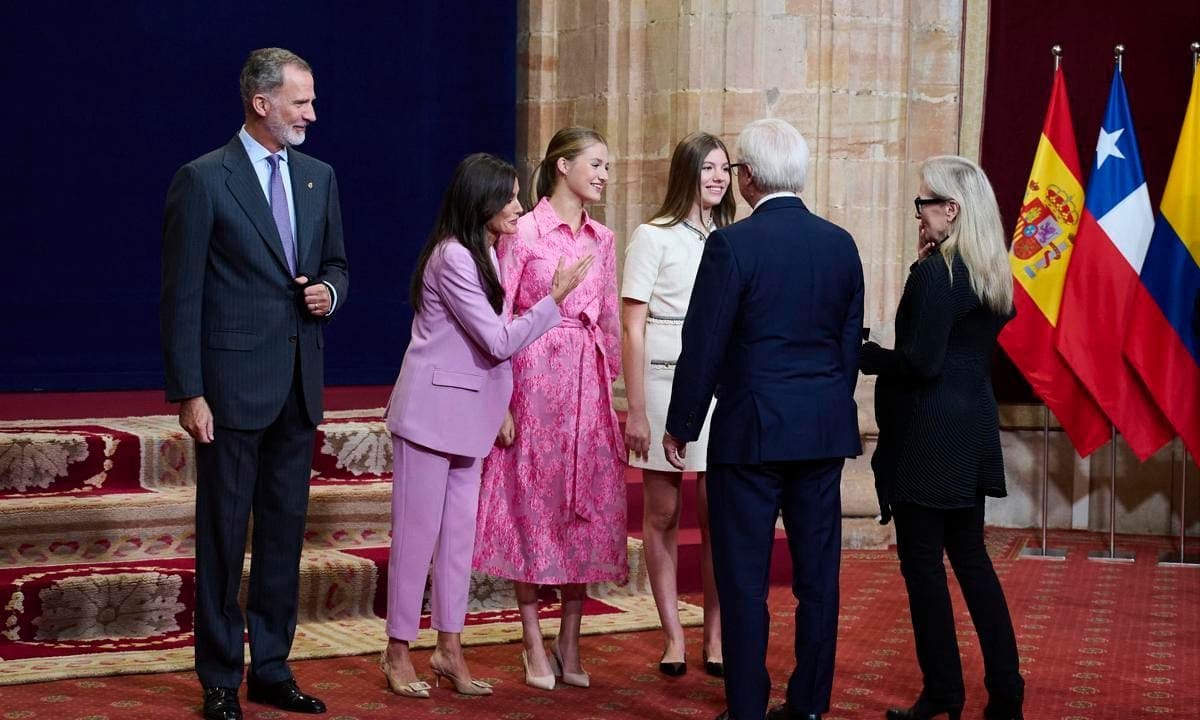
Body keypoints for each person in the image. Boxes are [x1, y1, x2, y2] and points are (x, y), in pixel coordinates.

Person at [160, 48, 348, 720]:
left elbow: (336, 264)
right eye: (301, 101)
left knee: (282, 537)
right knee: (222, 536)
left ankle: (271, 667)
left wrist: (329, 290)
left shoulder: (318, 177)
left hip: (298, 387)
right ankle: (218, 678)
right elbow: (181, 294)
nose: (312, 114)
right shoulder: (204, 179)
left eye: (312, 99)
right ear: (260, 102)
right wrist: (189, 391)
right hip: (230, 391)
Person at [663, 118, 864, 720]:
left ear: (747, 177)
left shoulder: (733, 245)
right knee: (818, 581)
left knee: (745, 580)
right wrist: (828, 406)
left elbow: (705, 343)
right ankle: (807, 707)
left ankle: (747, 707)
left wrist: (683, 423)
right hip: (821, 431)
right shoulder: (840, 243)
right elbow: (848, 343)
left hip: (749, 435)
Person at [379, 154, 592, 699]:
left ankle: (449, 649)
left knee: (456, 545)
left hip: (469, 419)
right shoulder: (452, 257)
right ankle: (398, 650)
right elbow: (498, 341)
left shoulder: (489, 254)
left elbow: (493, 340)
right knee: (416, 539)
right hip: (430, 418)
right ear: (482, 202)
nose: (520, 207)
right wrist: (556, 299)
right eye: (511, 197)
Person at [860, 155, 1023, 720]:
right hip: (971, 427)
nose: (917, 214)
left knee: (924, 567)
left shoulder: (937, 273)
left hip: (929, 433)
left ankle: (944, 693)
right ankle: (1007, 692)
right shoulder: (988, 271)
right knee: (972, 560)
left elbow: (921, 362)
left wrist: (867, 356)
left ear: (950, 209)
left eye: (923, 203)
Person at [473, 126, 627, 691]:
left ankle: (570, 639)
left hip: (586, 388)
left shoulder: (603, 238)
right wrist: (501, 400)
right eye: (596, 163)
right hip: (532, 380)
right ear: (562, 166)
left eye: (608, 166)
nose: (604, 175)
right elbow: (499, 311)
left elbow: (609, 319)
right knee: (532, 508)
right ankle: (532, 640)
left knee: (582, 510)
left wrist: (612, 394)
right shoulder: (525, 230)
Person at [621, 132, 735, 678]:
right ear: (685, 172)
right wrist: (637, 410)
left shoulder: (733, 237)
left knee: (720, 516)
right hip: (665, 381)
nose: (718, 177)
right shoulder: (653, 235)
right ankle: (672, 635)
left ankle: (714, 634)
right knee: (663, 514)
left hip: (721, 386)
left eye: (724, 169)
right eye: (708, 168)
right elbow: (631, 325)